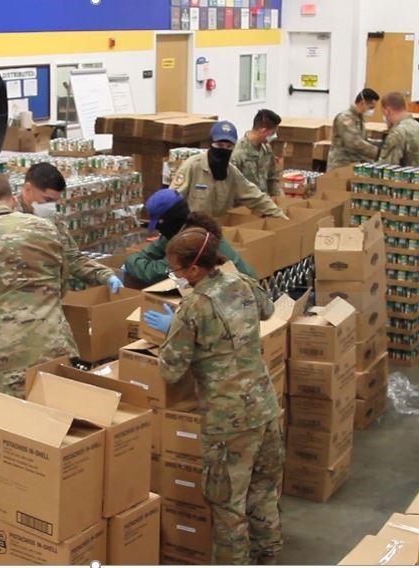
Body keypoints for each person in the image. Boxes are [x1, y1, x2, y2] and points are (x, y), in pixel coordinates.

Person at [143, 227, 284, 565]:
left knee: (227, 504)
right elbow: (266, 310)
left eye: (176, 270)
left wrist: (172, 331)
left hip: (227, 422)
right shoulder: (242, 283)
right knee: (263, 489)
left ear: (193, 269)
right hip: (264, 407)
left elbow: (171, 369)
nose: (175, 276)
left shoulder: (194, 306)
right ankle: (269, 552)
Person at [0, 173, 77, 398]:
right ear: (13, 200)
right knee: (62, 424)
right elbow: (63, 282)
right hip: (56, 344)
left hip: (6, 355)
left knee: (15, 426)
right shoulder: (47, 228)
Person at [14, 162, 123, 294]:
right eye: (47, 199)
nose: (50, 206)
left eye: (54, 201)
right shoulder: (7, 217)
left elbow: (72, 257)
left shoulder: (52, 219)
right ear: (28, 189)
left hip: (50, 299)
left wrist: (104, 275)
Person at [125, 189, 258, 287]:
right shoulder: (181, 229)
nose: (158, 230)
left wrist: (130, 261)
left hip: (243, 296)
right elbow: (149, 252)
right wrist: (134, 261)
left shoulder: (192, 244)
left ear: (169, 220)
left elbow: (153, 272)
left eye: (158, 224)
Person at [170, 120, 287, 219]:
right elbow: (171, 199)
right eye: (219, 145)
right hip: (190, 230)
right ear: (211, 143)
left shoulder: (232, 173)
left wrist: (281, 217)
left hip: (217, 230)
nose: (223, 150)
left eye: (228, 147)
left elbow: (257, 198)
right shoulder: (192, 166)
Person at [232, 109, 284, 197]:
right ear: (263, 131)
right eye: (272, 133)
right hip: (242, 205)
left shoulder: (267, 150)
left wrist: (281, 201)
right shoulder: (237, 153)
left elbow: (272, 179)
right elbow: (232, 185)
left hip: (263, 203)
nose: (274, 137)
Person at [327, 88, 381, 171]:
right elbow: (354, 142)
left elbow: (363, 140)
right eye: (371, 108)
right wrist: (377, 152)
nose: (371, 111)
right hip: (341, 166)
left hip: (353, 163)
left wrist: (379, 144)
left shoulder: (359, 119)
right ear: (362, 103)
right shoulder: (345, 118)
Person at [377, 91, 419, 167]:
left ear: (388, 111)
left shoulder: (397, 132)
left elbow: (386, 166)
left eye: (383, 113)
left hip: (402, 177)